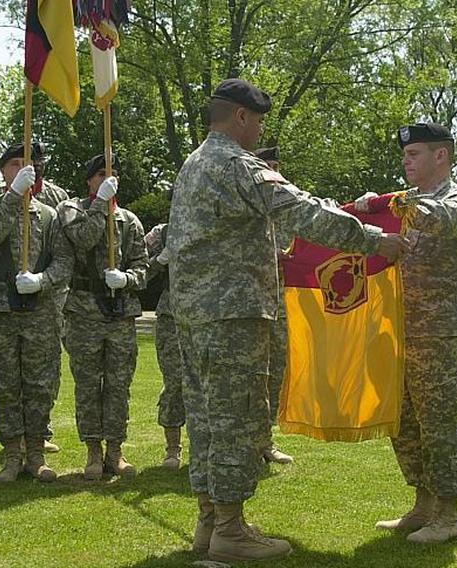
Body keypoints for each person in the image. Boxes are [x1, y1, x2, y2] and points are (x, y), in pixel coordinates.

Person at [168, 79, 407, 562]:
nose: (259, 131)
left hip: (192, 313)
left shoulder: (193, 165)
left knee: (206, 418)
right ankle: (231, 531)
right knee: (237, 418)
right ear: (240, 117)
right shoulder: (237, 166)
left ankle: (210, 521)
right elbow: (302, 211)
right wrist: (374, 239)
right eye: (257, 122)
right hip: (233, 313)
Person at [362, 123, 457, 544]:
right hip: (399, 332)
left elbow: (450, 219)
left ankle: (448, 515)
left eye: (414, 153)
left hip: (441, 337)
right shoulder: (404, 204)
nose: (406, 161)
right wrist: (367, 212)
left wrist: (399, 206)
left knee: (440, 425)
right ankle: (422, 505)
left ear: (441, 156)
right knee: (405, 424)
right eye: (405, 154)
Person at [0, 146, 75, 483]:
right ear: (3, 171)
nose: (22, 169)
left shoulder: (49, 215)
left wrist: (42, 281)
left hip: (40, 311)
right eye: (15, 165)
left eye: (28, 165)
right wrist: (14, 195)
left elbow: (64, 261)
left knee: (39, 383)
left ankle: (36, 452)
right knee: (4, 383)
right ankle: (11, 455)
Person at [58, 152, 148, 480]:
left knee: (118, 385)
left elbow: (143, 267)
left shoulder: (130, 221)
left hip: (120, 314)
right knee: (87, 385)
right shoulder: (73, 210)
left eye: (113, 175)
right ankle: (93, 451)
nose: (108, 180)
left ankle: (115, 449)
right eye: (100, 175)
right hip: (84, 312)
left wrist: (127, 279)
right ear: (89, 180)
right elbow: (84, 237)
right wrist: (99, 204)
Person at [255, 145, 294, 465]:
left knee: (275, 372)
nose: (275, 171)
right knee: (250, 374)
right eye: (268, 165)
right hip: (250, 303)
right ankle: (245, 443)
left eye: (277, 166)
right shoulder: (247, 207)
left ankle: (265, 440)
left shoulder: (285, 210)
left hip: (280, 303)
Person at [144, 222, 185, 469]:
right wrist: (162, 258)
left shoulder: (214, 225)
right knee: (175, 381)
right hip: (172, 315)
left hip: (210, 315)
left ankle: (209, 448)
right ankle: (173, 448)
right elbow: (140, 271)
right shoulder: (163, 233)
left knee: (211, 385)